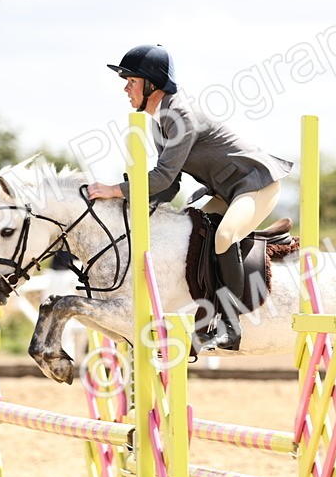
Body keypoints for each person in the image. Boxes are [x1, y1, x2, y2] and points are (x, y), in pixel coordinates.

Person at [86, 44, 293, 351]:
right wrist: (127, 207)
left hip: (256, 185)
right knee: (191, 228)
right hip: (226, 190)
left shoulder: (179, 115)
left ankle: (231, 326)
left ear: (151, 84)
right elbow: (170, 187)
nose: (126, 89)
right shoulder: (159, 122)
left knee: (223, 235)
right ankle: (202, 316)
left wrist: (115, 189)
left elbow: (162, 178)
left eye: (131, 82)